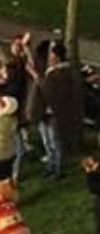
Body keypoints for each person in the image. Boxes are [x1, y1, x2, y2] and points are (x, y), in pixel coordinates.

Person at [33, 40, 82, 178]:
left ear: (58, 56)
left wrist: (37, 78)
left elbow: (50, 89)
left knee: (55, 141)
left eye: (51, 54)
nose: (49, 57)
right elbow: (37, 59)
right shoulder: (50, 69)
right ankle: (51, 165)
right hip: (45, 112)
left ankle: (58, 168)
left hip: (55, 113)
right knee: (47, 141)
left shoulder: (63, 73)